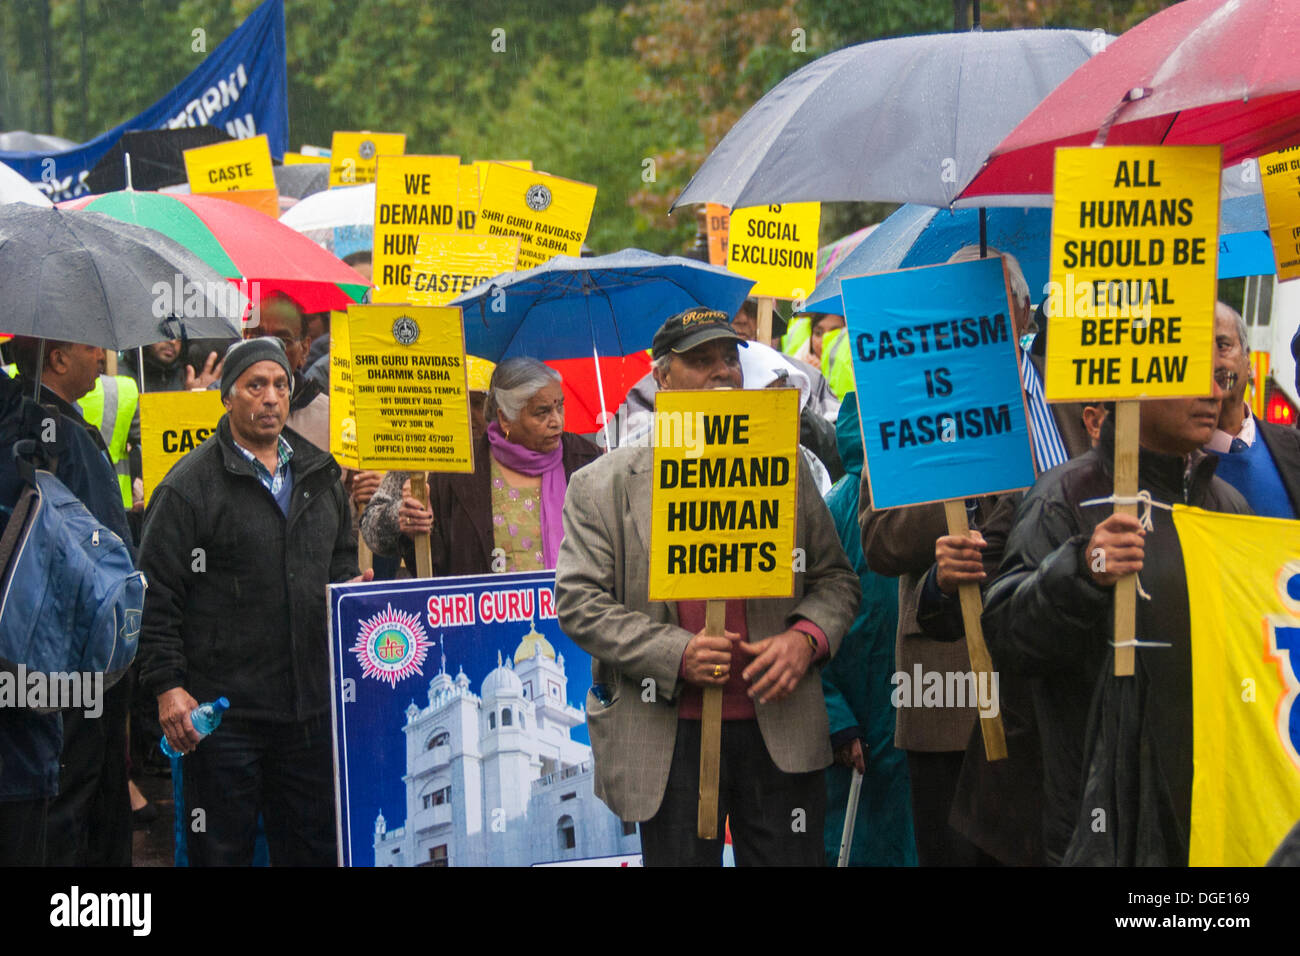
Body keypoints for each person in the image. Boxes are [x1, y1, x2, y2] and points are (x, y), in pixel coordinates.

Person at [554, 307, 860, 866]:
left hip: (780, 734)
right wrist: (679, 653)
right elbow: (579, 602)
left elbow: (835, 580)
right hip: (665, 742)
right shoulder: (602, 484)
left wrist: (806, 639)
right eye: (701, 361)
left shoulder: (786, 468)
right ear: (662, 378)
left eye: (729, 360)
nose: (722, 372)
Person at [982, 379, 1251, 865]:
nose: (1215, 392)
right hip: (1096, 822)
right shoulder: (1065, 495)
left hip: (1201, 813)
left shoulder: (1227, 506)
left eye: (1223, 377)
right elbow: (1006, 634)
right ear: (1136, 383)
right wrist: (1084, 569)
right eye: (1194, 373)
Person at [138, 337, 366, 866]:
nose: (270, 398)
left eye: (280, 385)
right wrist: (169, 687)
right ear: (227, 397)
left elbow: (340, 563)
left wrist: (349, 594)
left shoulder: (319, 474)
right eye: (255, 385)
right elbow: (155, 594)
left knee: (312, 850)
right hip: (223, 718)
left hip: (308, 712)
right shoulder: (189, 487)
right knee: (221, 853)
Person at [0, 366, 136, 866]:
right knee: (73, 794)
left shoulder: (40, 428)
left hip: (47, 659)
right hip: (60, 658)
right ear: (55, 357)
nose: (102, 363)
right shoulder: (41, 431)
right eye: (88, 349)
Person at [361, 357, 599, 576]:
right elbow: (430, 561)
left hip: (570, 618)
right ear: (505, 417)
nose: (556, 421)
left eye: (478, 403)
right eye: (542, 413)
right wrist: (412, 522)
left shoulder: (586, 461)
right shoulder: (446, 469)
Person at [819, 392, 915, 866]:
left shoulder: (925, 496)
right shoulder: (834, 510)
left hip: (916, 720)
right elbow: (801, 621)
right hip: (864, 733)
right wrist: (836, 722)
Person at [1204, 301, 1300, 519]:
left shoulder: (1294, 447)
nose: (1212, 361)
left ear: (1248, 361)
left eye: (1222, 345)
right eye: (1201, 349)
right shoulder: (1176, 464)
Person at [244, 292, 331, 451]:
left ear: (304, 349)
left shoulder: (332, 421)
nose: (269, 349)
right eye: (257, 337)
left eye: (283, 341)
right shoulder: (223, 407)